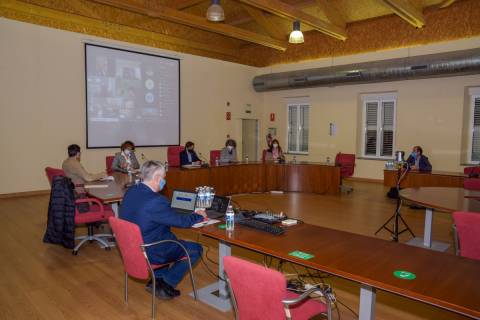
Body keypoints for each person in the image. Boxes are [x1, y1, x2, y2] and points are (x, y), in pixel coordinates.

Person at [120, 161, 205, 299]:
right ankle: (166, 283)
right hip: (152, 250)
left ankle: (156, 281)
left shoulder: (131, 191)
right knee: (196, 249)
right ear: (157, 178)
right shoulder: (156, 201)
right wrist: (198, 215)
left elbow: (152, 214)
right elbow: (182, 222)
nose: (164, 181)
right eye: (164, 178)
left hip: (133, 248)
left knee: (166, 239)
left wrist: (167, 211)